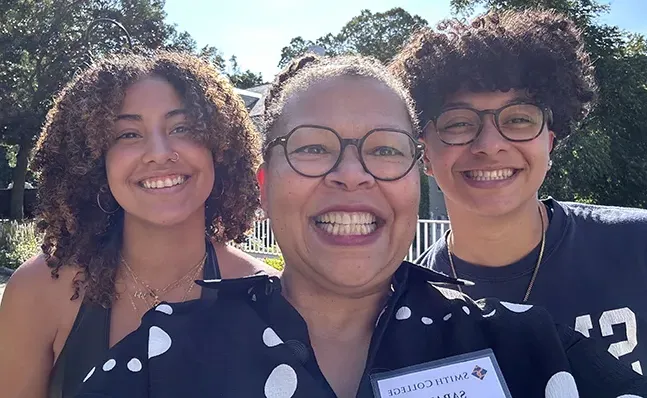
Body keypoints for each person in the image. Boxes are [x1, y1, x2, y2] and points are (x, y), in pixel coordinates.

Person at [73, 54, 646, 397]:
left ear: (413, 181)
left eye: (385, 149)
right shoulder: (167, 353)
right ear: (264, 186)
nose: (352, 175)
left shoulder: (525, 346)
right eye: (313, 148)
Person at [0, 51, 277, 398]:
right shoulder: (38, 291)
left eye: (182, 128)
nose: (159, 152)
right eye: (128, 134)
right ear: (93, 160)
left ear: (219, 149)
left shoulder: (268, 296)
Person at [390, 9, 647, 375]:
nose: (490, 144)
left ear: (550, 143)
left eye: (518, 118)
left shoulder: (638, 246)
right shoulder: (407, 311)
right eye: (459, 123)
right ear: (425, 154)